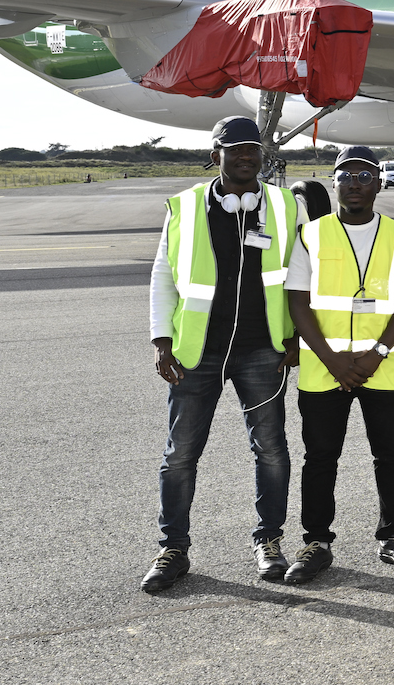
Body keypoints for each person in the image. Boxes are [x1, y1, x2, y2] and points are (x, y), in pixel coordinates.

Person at [139, 115, 299, 593]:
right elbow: (163, 275)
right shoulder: (185, 207)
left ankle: (269, 543)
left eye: (254, 149)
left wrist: (293, 336)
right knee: (181, 454)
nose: (247, 157)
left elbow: (298, 273)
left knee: (270, 449)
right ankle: (173, 549)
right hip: (197, 351)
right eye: (236, 150)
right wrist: (160, 339)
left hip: (261, 347)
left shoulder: (284, 205)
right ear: (217, 158)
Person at [281, 145, 394, 584]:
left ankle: (393, 536)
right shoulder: (312, 234)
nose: (356, 184)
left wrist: (374, 355)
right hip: (326, 367)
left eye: (365, 176)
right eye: (347, 176)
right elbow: (298, 302)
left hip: (383, 366)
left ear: (379, 184)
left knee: (390, 454)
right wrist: (333, 360)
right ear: (334, 183)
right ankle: (316, 542)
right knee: (321, 456)